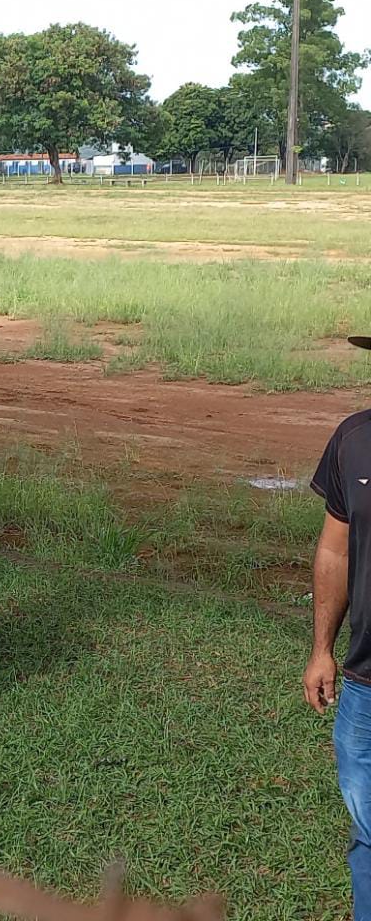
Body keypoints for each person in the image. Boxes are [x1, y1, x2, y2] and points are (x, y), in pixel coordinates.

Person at [306, 344, 371, 920]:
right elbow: (334, 548)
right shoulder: (353, 440)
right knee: (369, 833)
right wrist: (321, 649)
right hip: (365, 683)